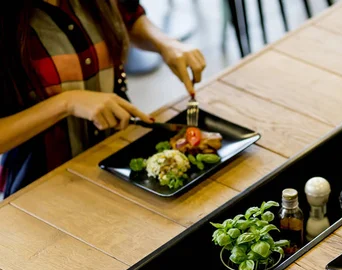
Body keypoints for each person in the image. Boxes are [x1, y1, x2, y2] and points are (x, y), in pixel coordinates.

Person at [0, 0, 206, 197]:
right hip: (43, 188)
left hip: (120, 161)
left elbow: (128, 15)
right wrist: (67, 103)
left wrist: (164, 43)